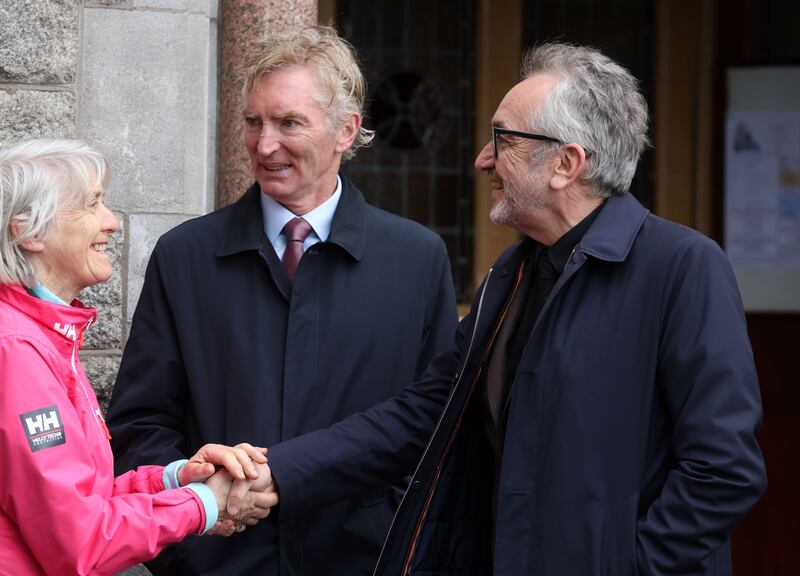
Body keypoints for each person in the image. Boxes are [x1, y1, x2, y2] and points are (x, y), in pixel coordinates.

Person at [264, 42, 768, 575]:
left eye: (503, 139)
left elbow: (723, 470)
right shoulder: (513, 274)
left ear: (566, 163)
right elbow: (422, 416)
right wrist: (276, 471)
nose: (483, 158)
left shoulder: (682, 267)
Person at [105, 25, 458, 575]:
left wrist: (392, 542)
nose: (264, 145)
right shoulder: (185, 256)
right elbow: (139, 429)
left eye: (288, 123)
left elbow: (436, 429)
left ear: (346, 130)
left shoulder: (417, 260)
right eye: (254, 122)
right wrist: (192, 543)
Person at [0, 139, 276, 576]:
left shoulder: (42, 338)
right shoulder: (16, 349)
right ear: (28, 233)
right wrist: (204, 503)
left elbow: (80, 498)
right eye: (91, 205)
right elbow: (79, 542)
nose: (111, 222)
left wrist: (176, 479)